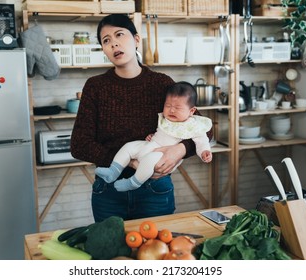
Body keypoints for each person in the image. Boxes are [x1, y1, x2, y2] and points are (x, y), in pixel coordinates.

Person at [70, 14, 213, 222]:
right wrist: (131, 163)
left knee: (157, 252)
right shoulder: (95, 87)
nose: (114, 44)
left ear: (137, 40)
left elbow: (204, 129)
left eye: (119, 35)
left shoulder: (161, 84)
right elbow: (79, 145)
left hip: (154, 190)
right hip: (109, 192)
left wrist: (178, 150)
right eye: (106, 40)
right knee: (111, 253)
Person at [95, 81, 213, 192]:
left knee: (149, 161)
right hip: (150, 145)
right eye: (168, 106)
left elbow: (202, 141)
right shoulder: (166, 119)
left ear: (192, 111)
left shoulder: (193, 125)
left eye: (177, 108)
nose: (171, 110)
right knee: (128, 147)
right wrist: (152, 136)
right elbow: (161, 133)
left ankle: (134, 182)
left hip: (163, 157)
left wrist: (204, 152)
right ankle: (113, 171)